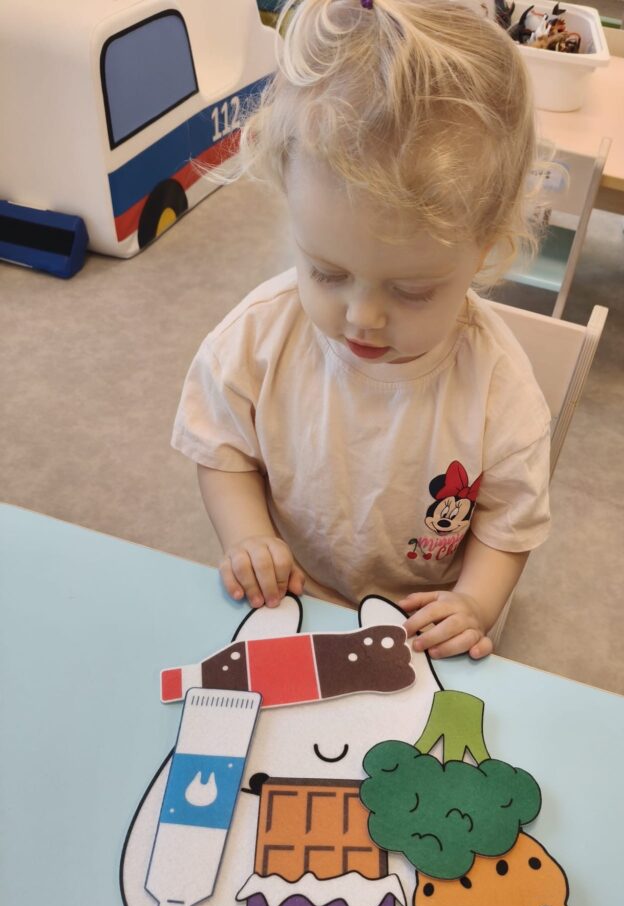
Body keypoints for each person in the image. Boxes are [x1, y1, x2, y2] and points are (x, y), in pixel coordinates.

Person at [172, 0, 551, 660]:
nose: (363, 317)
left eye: (411, 290)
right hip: (295, 599)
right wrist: (248, 536)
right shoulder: (259, 338)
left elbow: (507, 522)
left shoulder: (498, 386)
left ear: (485, 251)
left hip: (417, 628)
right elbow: (221, 448)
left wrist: (474, 603)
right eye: (327, 272)